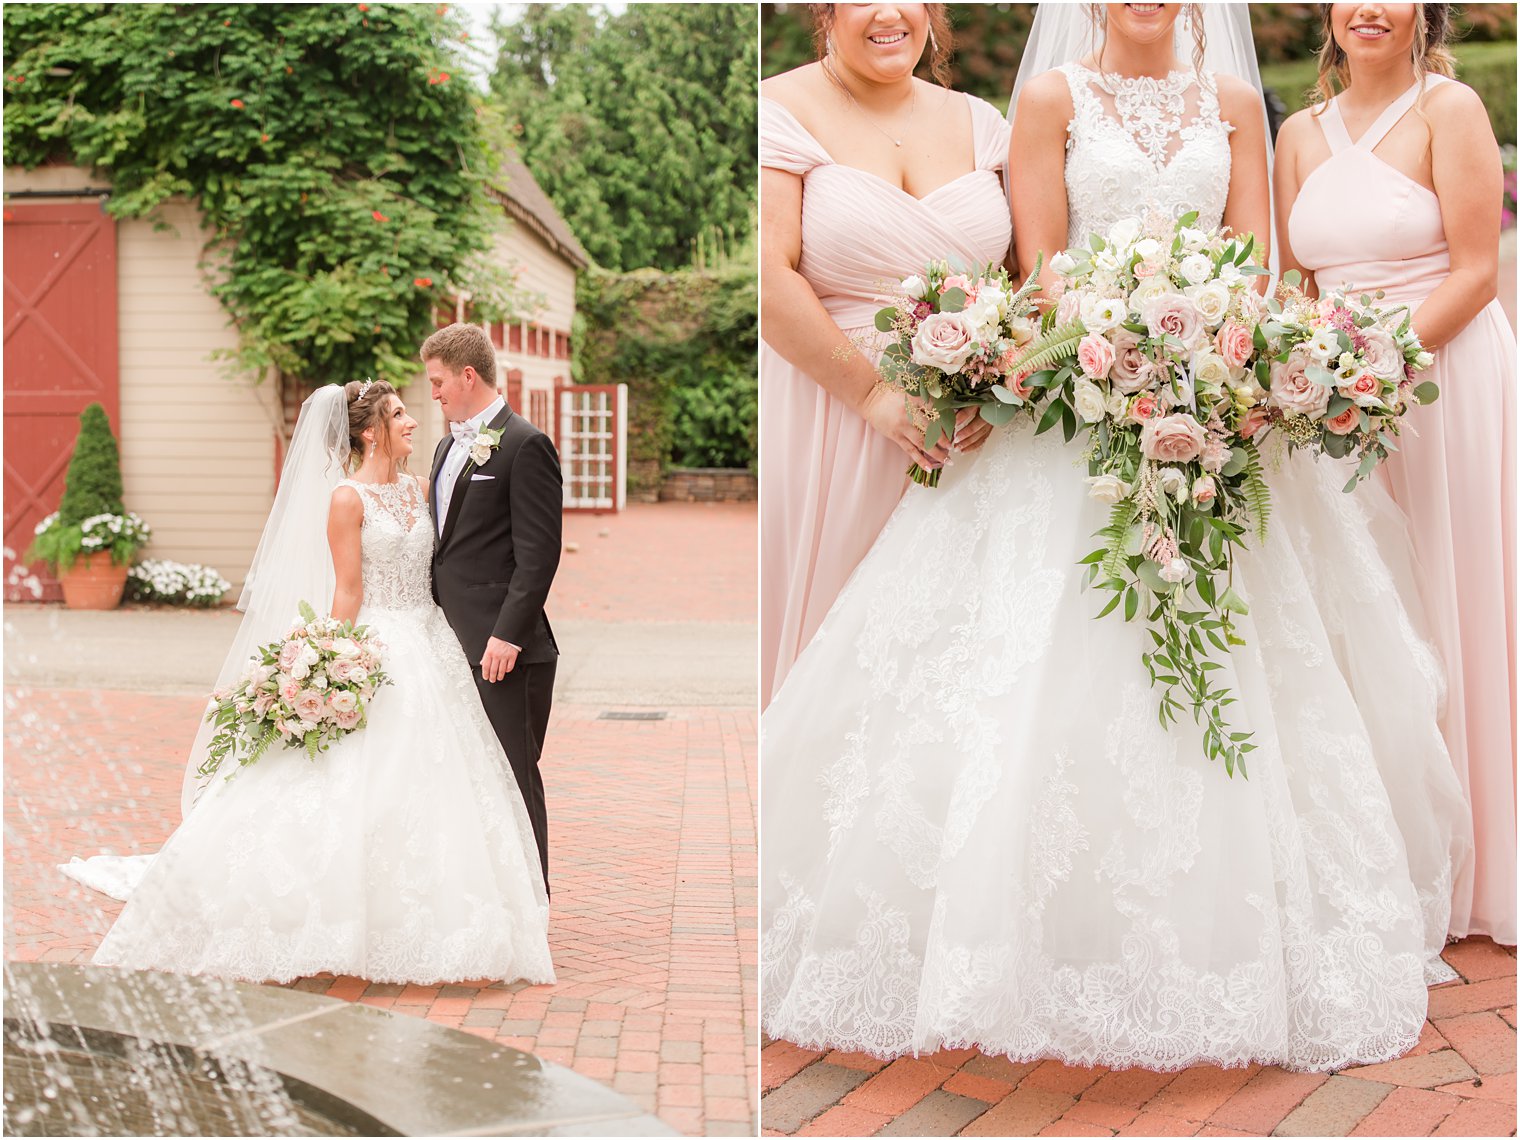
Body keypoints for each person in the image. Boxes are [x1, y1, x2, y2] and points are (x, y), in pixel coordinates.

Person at [759, 2, 1469, 1073]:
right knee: (1032, 661)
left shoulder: (1235, 105)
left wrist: (1205, 363)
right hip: (1077, 404)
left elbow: (1249, 270)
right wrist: (1116, 351)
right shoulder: (1045, 101)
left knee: (1229, 660)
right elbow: (1037, 266)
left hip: (1210, 404)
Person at [68, 381, 554, 987]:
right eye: (399, 413)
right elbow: (348, 590)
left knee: (443, 779)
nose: (412, 420)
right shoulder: (346, 500)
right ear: (370, 431)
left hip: (431, 644)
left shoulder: (416, 488)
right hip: (377, 643)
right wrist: (330, 659)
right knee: (355, 781)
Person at [1274, 1, 1516, 946]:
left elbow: (1474, 272)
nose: (1370, 8)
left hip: (1445, 381)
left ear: (1425, 11)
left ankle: (1482, 858)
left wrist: (1370, 372)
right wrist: (1311, 377)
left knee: (1455, 598)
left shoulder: (1446, 109)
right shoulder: (1298, 132)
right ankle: (1391, 849)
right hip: (1336, 407)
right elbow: (1298, 285)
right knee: (1367, 611)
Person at [759, 2, 1011, 705]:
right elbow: (767, 276)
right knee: (834, 640)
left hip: (971, 430)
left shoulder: (982, 124)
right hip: (831, 412)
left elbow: (1025, 275)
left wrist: (1001, 389)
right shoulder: (778, 110)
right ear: (824, 11)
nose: (888, 13)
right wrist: (872, 396)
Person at [423, 323, 563, 894]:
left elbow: (539, 556)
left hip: (504, 650)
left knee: (512, 775)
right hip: (447, 642)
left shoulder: (525, 445)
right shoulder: (445, 444)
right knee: (468, 775)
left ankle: (533, 902)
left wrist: (506, 636)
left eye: (437, 382)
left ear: (467, 375)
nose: (433, 394)